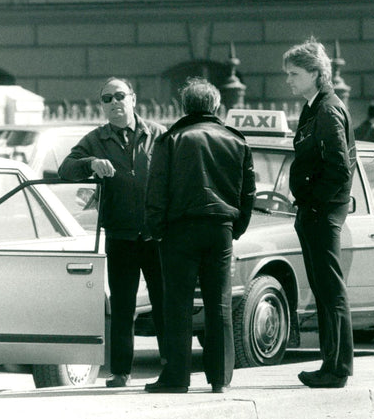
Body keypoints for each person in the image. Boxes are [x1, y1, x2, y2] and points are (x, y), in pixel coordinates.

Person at [144, 78, 255, 394]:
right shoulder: (237, 140)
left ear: (183, 107)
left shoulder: (172, 139)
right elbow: (248, 193)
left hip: (180, 229)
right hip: (220, 228)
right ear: (217, 107)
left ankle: (177, 376)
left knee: (177, 304)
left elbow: (157, 190)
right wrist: (236, 228)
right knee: (218, 302)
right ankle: (220, 377)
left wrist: (157, 230)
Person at [58, 77, 167, 387]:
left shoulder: (157, 134)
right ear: (102, 106)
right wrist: (91, 163)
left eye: (120, 95)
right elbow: (67, 168)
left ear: (133, 98)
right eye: (107, 98)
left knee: (164, 302)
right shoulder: (96, 139)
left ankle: (171, 365)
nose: (115, 102)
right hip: (120, 234)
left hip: (156, 234)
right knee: (122, 306)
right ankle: (120, 371)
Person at [284, 37, 357, 389]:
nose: (289, 80)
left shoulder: (327, 109)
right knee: (324, 288)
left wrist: (315, 203)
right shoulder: (314, 106)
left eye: (294, 73)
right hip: (316, 210)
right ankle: (331, 362)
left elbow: (340, 169)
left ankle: (338, 366)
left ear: (316, 73)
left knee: (330, 288)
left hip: (323, 211)